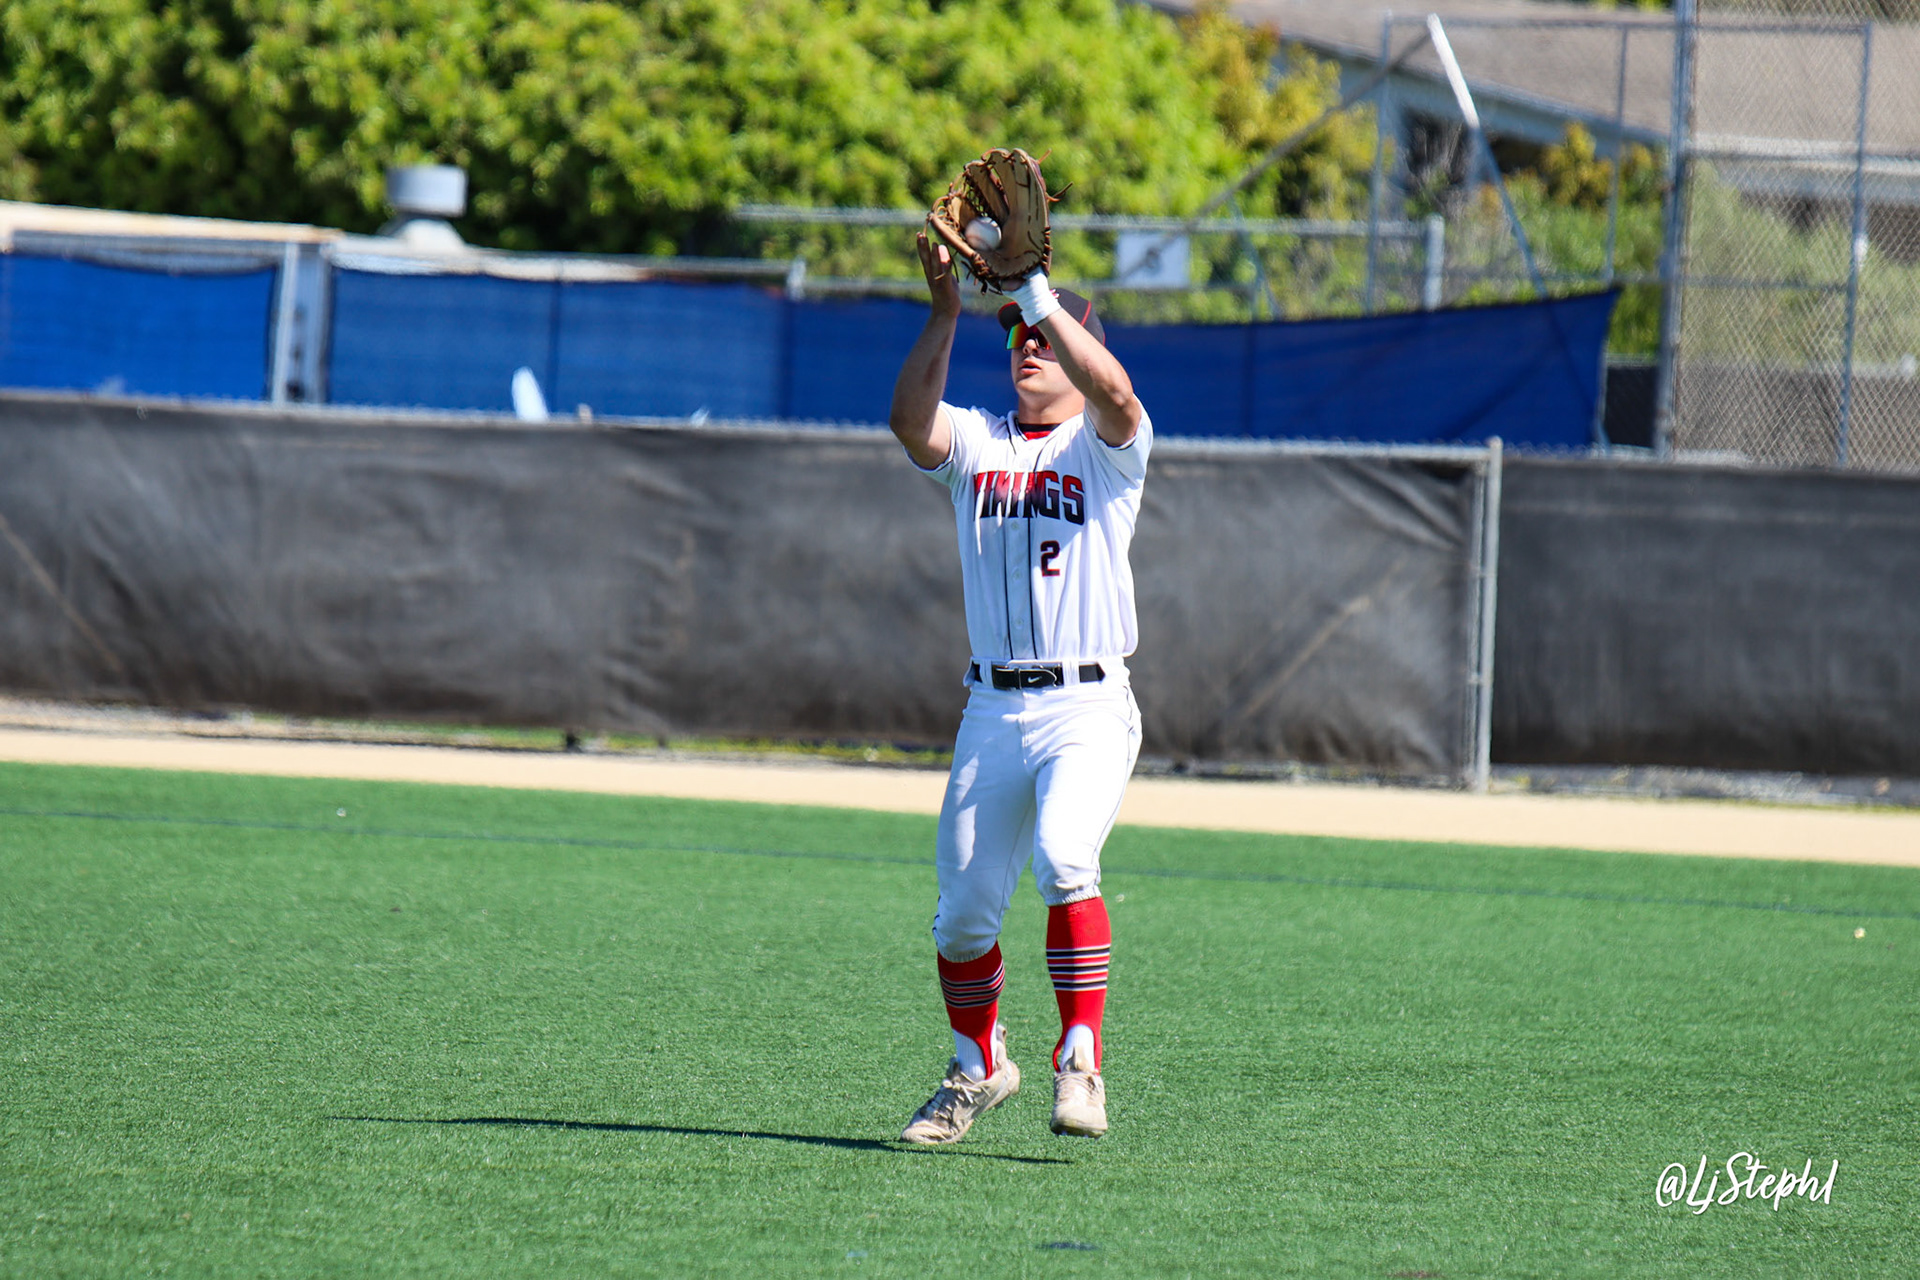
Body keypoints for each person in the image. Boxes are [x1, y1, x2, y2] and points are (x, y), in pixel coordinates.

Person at [887, 230, 1151, 1144]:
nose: (1027, 345)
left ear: (1078, 349)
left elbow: (1118, 395)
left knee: (1065, 859)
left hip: (1087, 703)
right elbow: (909, 424)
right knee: (962, 919)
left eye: (1043, 335)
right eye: (1017, 337)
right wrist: (945, 312)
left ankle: (1081, 1062)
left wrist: (1040, 294)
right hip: (993, 707)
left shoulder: (1106, 447)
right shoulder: (979, 440)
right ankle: (977, 1067)